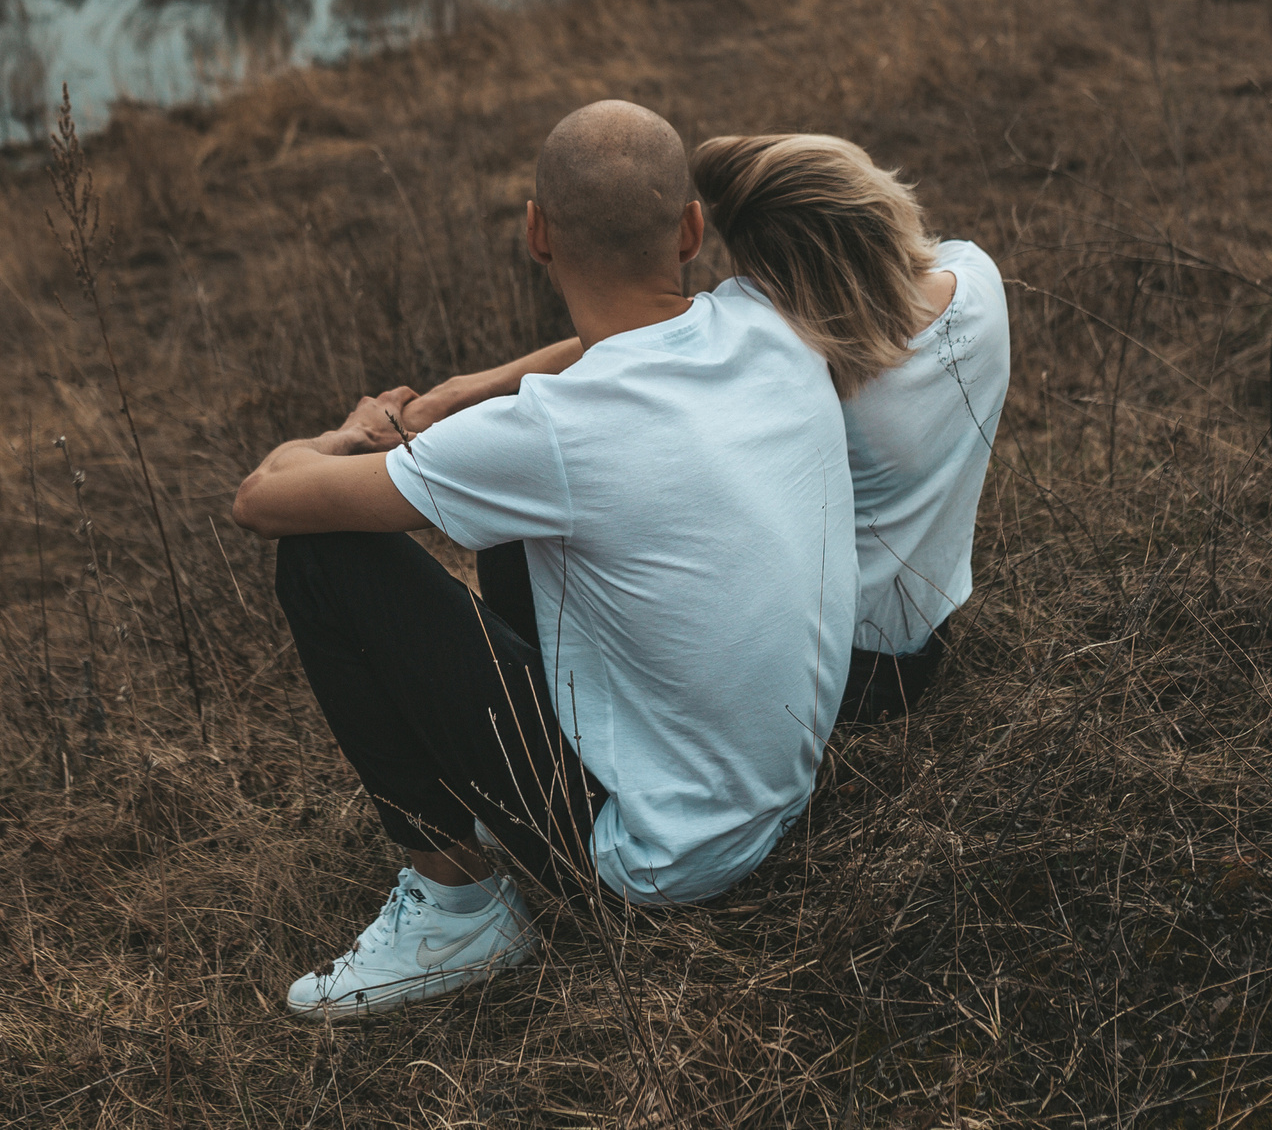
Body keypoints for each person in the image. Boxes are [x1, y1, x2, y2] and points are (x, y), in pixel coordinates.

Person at [229, 100, 855, 1020]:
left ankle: (458, 911)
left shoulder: (549, 434)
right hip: (779, 787)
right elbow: (623, 344)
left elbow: (261, 500)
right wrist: (471, 390)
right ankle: (500, 802)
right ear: (690, 232)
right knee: (524, 520)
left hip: (653, 859)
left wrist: (351, 433)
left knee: (324, 560)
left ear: (536, 233)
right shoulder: (767, 319)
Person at [414, 133, 1008, 727]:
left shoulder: (800, 359)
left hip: (835, 675)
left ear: (780, 281)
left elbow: (651, 340)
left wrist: (473, 388)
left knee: (528, 526)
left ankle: (548, 736)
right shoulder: (977, 277)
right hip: (928, 634)